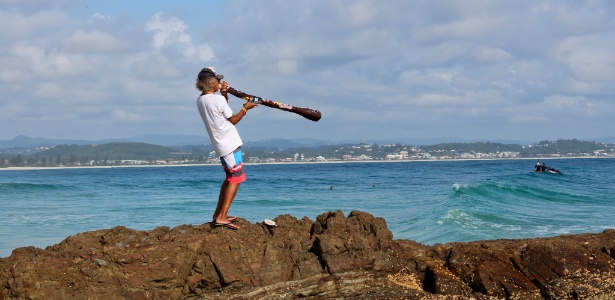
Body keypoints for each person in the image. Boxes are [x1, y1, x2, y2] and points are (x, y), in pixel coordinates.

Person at [195, 67, 258, 230]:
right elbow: (233, 119)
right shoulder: (217, 100)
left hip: (220, 144)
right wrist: (245, 108)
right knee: (235, 179)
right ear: (211, 82)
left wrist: (224, 94)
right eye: (218, 80)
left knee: (229, 178)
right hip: (229, 144)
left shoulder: (201, 100)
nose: (220, 82)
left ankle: (218, 214)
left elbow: (221, 111)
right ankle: (222, 216)